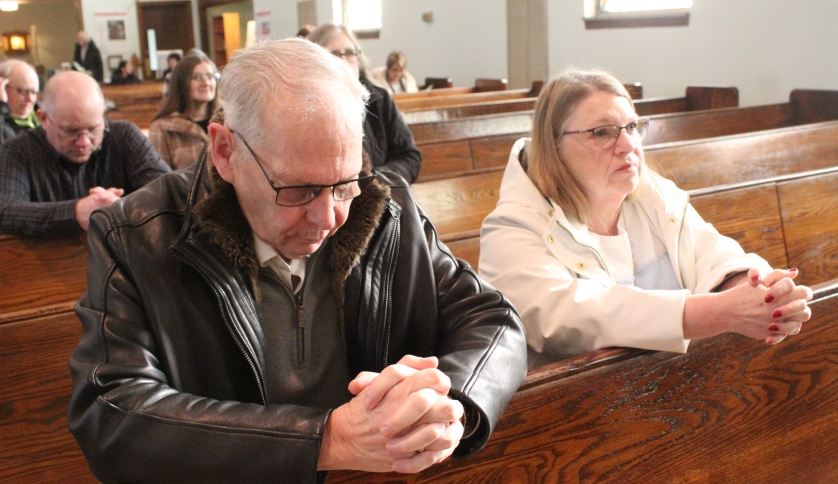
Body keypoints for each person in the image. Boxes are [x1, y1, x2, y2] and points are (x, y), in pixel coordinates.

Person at [68, 39, 527, 482]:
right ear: (225, 152)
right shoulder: (134, 233)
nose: (329, 218)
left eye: (344, 183)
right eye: (299, 190)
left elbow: (494, 321)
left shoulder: (387, 208)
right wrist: (327, 440)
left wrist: (448, 406)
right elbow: (112, 412)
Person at [479, 68, 812, 367]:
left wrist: (762, 294)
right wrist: (720, 312)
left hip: (673, 386)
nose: (627, 145)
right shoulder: (512, 227)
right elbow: (567, 316)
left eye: (632, 127)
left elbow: (712, 252)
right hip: (575, 414)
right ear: (554, 148)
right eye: (602, 133)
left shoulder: (652, 194)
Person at [0, 71, 169, 237]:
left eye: (93, 129)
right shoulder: (17, 151)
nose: (84, 142)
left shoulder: (124, 136)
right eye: (70, 131)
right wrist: (75, 213)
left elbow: (171, 191)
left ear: (103, 113)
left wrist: (126, 207)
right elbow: (5, 211)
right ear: (44, 118)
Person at [307, 24, 422, 184]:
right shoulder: (305, 109)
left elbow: (409, 157)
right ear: (313, 61)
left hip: (382, 200)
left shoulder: (379, 100)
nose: (344, 60)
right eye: (333, 54)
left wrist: (374, 183)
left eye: (349, 52)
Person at [149, 55, 220, 170]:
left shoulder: (228, 118)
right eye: (197, 77)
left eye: (210, 76)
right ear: (182, 83)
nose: (206, 82)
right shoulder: (162, 127)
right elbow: (160, 180)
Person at [0, 59, 41, 142]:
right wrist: (2, 107)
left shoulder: (45, 113)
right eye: (22, 91)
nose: (30, 99)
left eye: (33, 92)